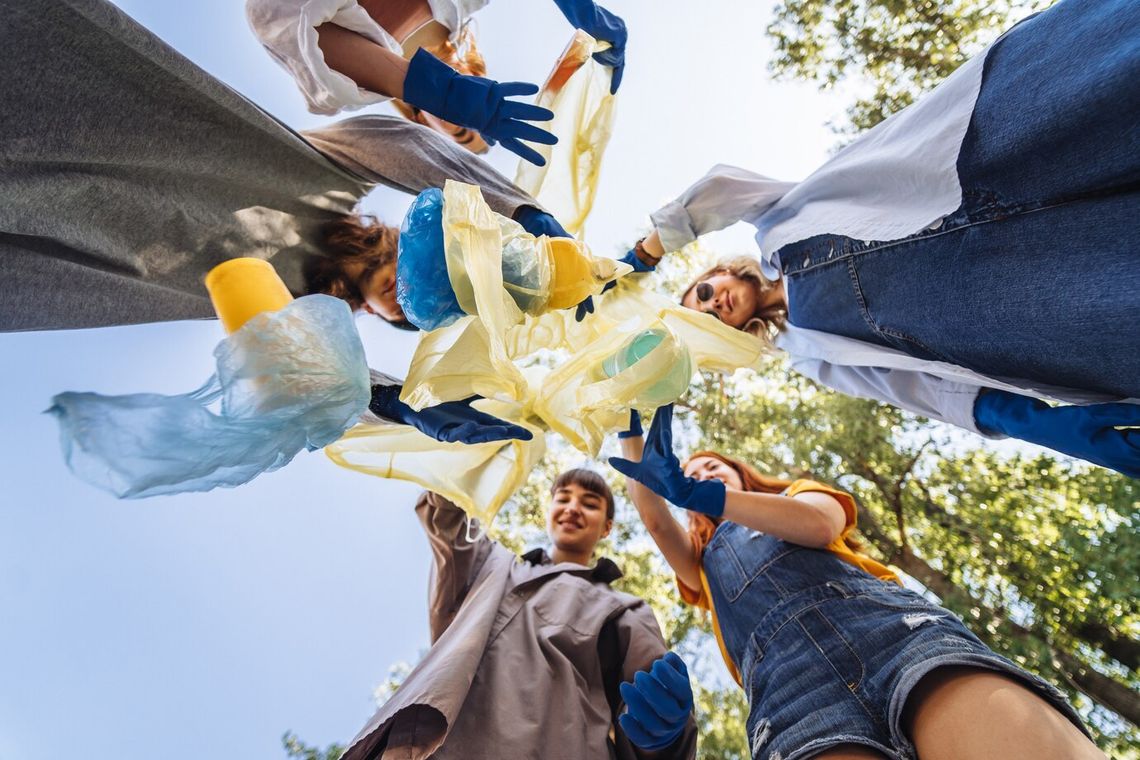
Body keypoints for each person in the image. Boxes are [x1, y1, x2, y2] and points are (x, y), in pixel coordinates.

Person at [0, 0, 570, 442]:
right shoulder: (336, 180)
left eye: (407, 317)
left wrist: (398, 404)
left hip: (44, 233)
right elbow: (404, 144)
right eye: (429, 282)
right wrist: (522, 211)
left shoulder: (292, 308)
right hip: (74, 109)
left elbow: (313, 382)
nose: (402, 304)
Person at [615, 0, 1140, 477]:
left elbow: (720, 190)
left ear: (718, 273)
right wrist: (1027, 421)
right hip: (1021, 301)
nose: (715, 305)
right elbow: (915, 388)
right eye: (709, 320)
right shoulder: (808, 354)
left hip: (982, 149)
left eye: (704, 294)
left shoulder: (775, 222)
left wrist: (647, 253)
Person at [609, 405, 1105, 760]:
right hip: (786, 689)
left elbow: (819, 525)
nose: (702, 474)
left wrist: (704, 492)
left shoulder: (797, 493)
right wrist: (631, 424)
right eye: (690, 475)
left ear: (741, 473)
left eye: (713, 467)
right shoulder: (697, 562)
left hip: (893, 632)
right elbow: (654, 517)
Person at [340, 469, 697, 759]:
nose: (573, 508)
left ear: (606, 527)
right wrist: (464, 454)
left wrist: (666, 738)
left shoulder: (624, 608)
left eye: (589, 503)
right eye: (563, 498)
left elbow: (646, 717)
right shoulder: (490, 567)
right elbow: (447, 517)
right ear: (548, 511)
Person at [246, 0, 628, 164]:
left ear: (422, 119)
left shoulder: (344, 87)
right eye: (472, 128)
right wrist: (584, 8)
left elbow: (272, 14)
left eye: (460, 133)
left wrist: (439, 89)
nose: (465, 121)